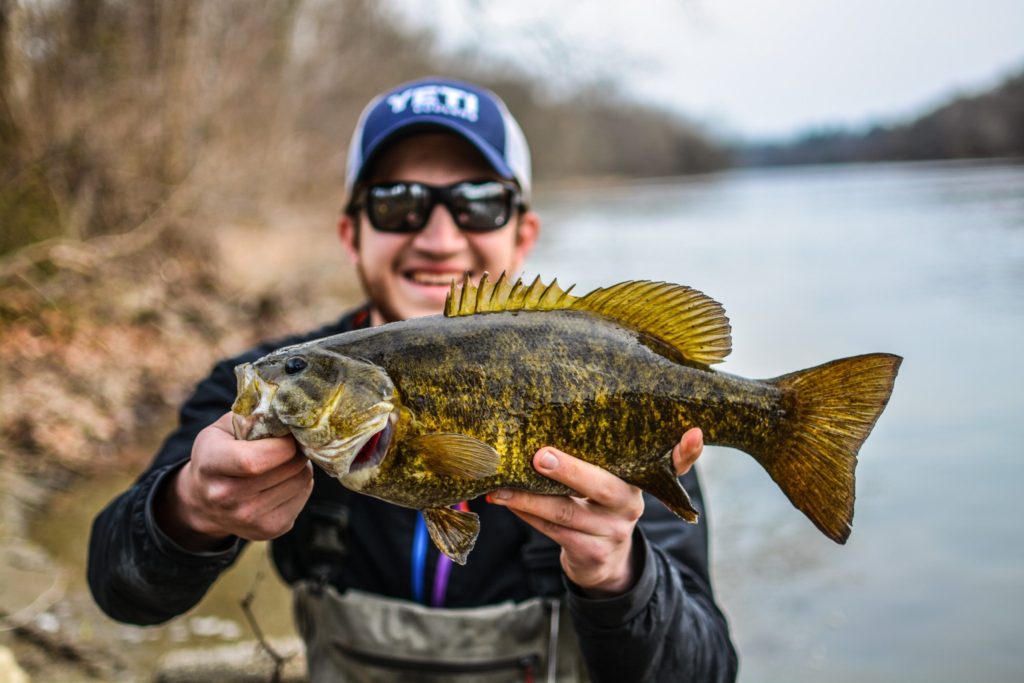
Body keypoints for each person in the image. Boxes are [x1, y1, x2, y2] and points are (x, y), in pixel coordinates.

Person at [88, 77, 738, 682]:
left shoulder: (615, 385)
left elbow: (705, 669)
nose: (437, 235)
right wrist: (191, 509)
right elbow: (121, 591)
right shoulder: (287, 380)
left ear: (523, 233)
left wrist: (620, 575)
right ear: (351, 232)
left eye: (478, 203)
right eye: (398, 202)